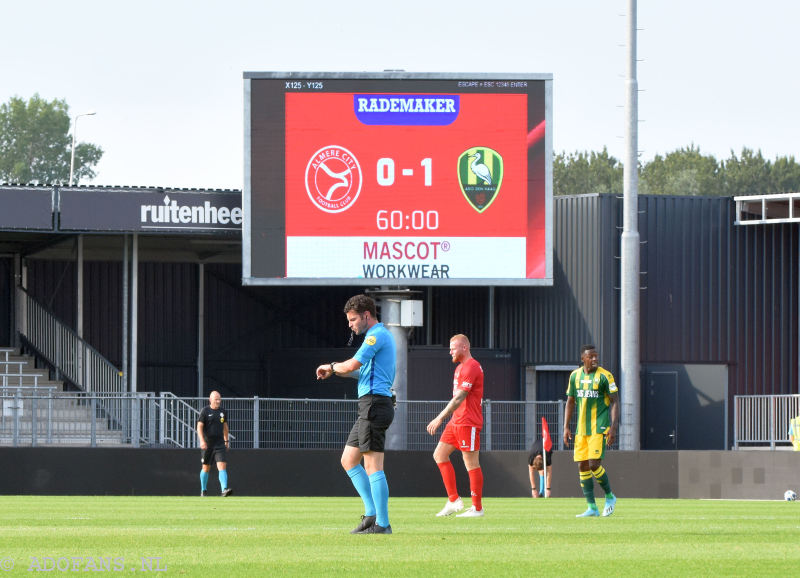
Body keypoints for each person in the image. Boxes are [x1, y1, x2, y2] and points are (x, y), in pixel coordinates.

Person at [316, 294, 396, 534]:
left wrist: (331, 367)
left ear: (366, 315)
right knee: (348, 460)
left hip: (374, 405)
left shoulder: (376, 335)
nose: (350, 324)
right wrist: (334, 371)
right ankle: (372, 516)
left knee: (373, 466)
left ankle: (383, 523)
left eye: (352, 319)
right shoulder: (378, 337)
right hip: (370, 406)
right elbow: (359, 372)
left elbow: (351, 365)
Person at [426, 334, 485, 518]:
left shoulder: (471, 366)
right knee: (439, 455)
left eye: (453, 348)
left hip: (468, 421)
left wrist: (439, 418)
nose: (450, 351)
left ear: (464, 348)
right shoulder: (460, 368)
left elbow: (459, 398)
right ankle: (453, 500)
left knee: (471, 463)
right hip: (456, 421)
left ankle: (477, 508)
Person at [562, 344, 619, 517]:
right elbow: (571, 401)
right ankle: (592, 507)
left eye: (596, 356)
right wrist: (566, 426)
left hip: (599, 426)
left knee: (594, 463)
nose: (594, 359)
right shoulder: (575, 376)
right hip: (581, 429)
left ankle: (610, 496)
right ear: (583, 359)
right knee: (582, 466)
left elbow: (615, 401)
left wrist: (613, 427)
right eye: (591, 356)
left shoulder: (605, 376)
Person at [197, 390, 233, 497]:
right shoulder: (205, 411)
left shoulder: (223, 411)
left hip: (220, 444)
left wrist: (226, 440)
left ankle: (224, 490)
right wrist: (202, 440)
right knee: (206, 468)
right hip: (208, 444)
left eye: (219, 399)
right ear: (210, 400)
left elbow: (225, 427)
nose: (218, 401)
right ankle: (203, 490)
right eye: (216, 399)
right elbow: (199, 427)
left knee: (222, 465)